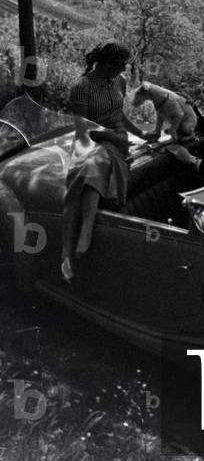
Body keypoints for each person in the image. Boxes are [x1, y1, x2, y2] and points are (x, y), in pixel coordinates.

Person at [61, 41, 145, 282]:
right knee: (92, 163)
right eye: (121, 65)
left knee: (96, 162)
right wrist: (109, 135)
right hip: (90, 138)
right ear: (108, 64)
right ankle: (79, 236)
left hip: (115, 139)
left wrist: (140, 133)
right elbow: (81, 127)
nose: (124, 70)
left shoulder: (118, 82)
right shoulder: (82, 86)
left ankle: (78, 239)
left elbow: (121, 116)